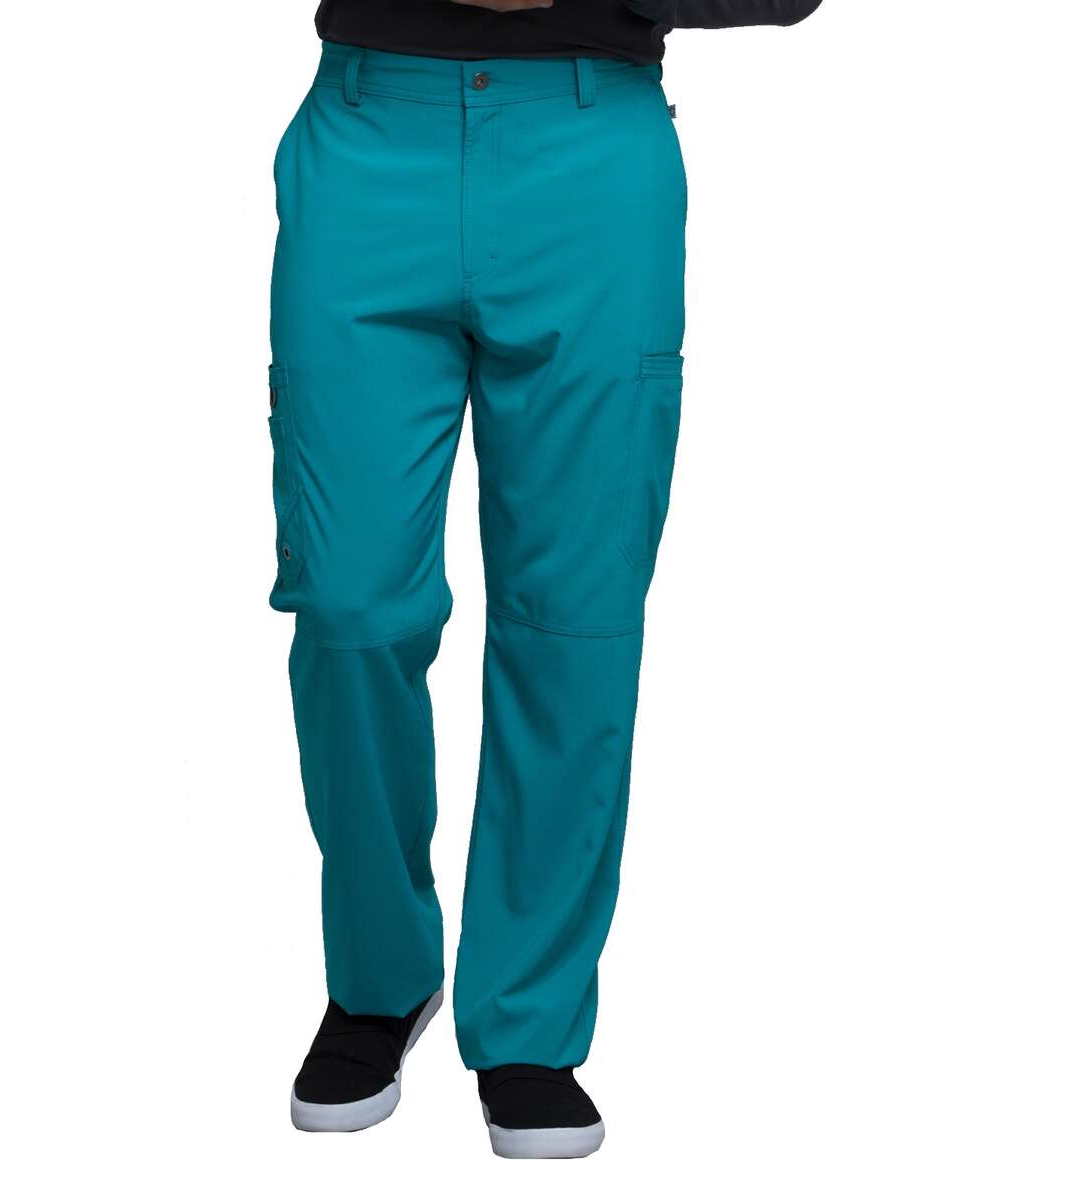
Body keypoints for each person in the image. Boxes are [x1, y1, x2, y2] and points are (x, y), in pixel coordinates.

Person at [268, 0, 822, 1159]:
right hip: (372, 136)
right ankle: (379, 976)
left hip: (589, 151)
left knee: (572, 616)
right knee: (348, 601)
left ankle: (528, 1022)